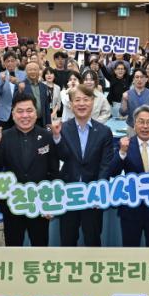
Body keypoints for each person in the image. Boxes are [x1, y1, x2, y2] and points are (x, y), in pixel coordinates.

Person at [0, 94, 59, 247]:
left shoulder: (47, 136)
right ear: (13, 114)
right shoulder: (3, 137)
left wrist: (51, 202)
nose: (25, 115)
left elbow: (54, 171)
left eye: (29, 110)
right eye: (20, 111)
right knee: (13, 249)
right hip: (12, 204)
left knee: (40, 247)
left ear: (36, 112)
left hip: (40, 203)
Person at [51, 85, 113, 247]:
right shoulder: (62, 128)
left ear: (93, 102)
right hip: (68, 194)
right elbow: (60, 157)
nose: (81, 104)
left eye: (86, 99)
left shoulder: (104, 132)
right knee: (67, 241)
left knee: (93, 241)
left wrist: (99, 191)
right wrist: (56, 137)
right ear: (71, 104)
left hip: (93, 195)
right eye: (77, 100)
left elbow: (105, 165)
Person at [109, 105, 149, 247]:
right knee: (131, 251)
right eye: (141, 122)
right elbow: (112, 172)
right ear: (134, 124)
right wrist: (122, 152)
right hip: (131, 211)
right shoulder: (125, 145)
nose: (145, 126)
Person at [0, 52, 27, 128]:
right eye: (8, 61)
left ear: (16, 62)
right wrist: (2, 81)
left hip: (21, 112)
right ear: (4, 63)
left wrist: (17, 82)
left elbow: (27, 91)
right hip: (4, 114)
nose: (10, 63)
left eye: (12, 61)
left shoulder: (23, 74)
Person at [120, 68, 149, 133]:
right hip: (132, 128)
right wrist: (124, 101)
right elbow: (123, 113)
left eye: (142, 77)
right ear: (133, 80)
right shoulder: (127, 94)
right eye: (137, 77)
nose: (139, 79)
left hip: (147, 128)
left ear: (146, 79)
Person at [19, 61, 51, 127]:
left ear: (39, 72)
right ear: (26, 72)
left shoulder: (44, 87)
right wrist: (20, 91)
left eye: (35, 69)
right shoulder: (21, 85)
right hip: (26, 121)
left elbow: (46, 106)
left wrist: (49, 123)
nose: (33, 72)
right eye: (30, 70)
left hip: (41, 122)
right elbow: (15, 103)